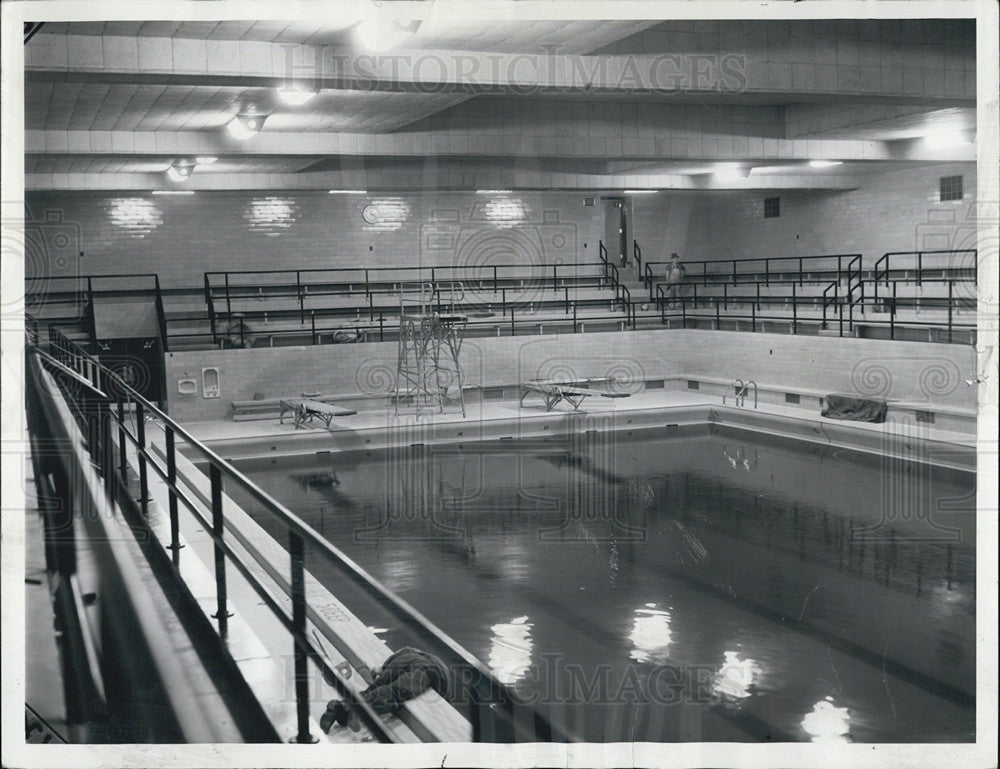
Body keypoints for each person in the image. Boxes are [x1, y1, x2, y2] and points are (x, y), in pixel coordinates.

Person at [320, 647, 452, 733]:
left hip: (405, 657)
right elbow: (441, 697)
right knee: (393, 693)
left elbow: (402, 651)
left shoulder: (417, 651)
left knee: (374, 688)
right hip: (430, 670)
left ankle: (340, 707)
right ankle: (358, 710)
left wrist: (382, 670)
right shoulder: (440, 671)